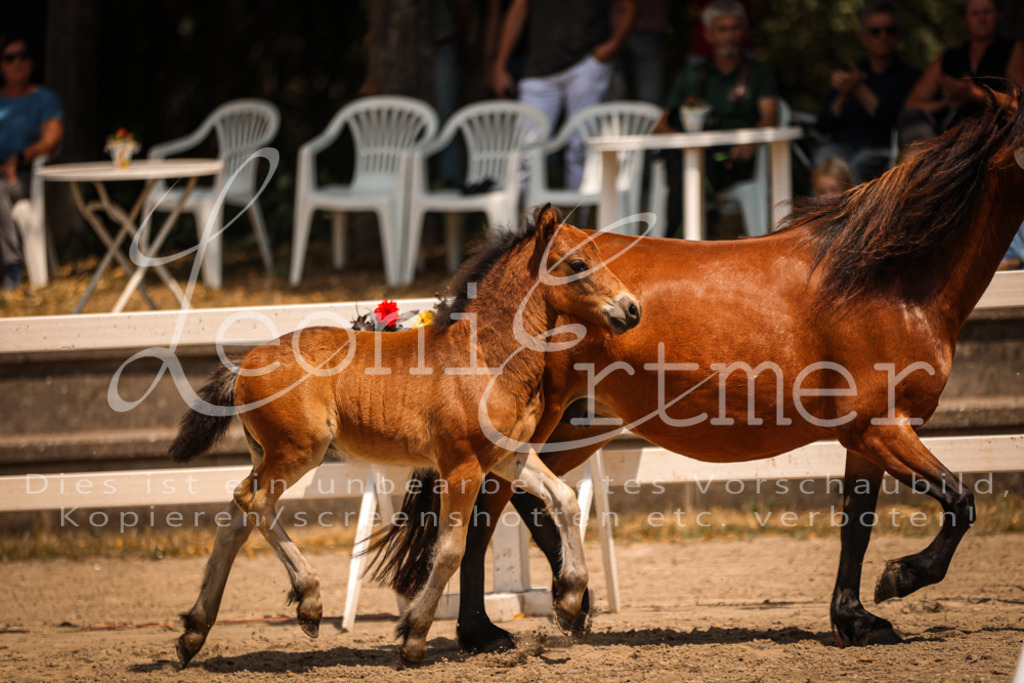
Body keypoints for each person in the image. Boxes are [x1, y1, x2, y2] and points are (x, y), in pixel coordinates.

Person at [655, 0, 779, 235]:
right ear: (708, 35)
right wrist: (686, 141)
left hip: (733, 159)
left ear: (744, 31)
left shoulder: (759, 72)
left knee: (685, 166)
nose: (730, 36)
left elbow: (770, 116)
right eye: (723, 29)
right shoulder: (691, 76)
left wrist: (752, 139)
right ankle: (701, 214)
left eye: (735, 28)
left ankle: (674, 240)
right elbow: (660, 127)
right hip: (692, 158)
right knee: (683, 158)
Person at [490, 0, 638, 192]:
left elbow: (631, 7)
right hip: (539, 66)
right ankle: (523, 209)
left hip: (586, 62)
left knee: (581, 147)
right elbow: (518, 9)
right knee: (526, 149)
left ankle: (578, 210)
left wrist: (611, 47)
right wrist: (500, 63)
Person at [814, 1, 919, 184]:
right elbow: (823, 125)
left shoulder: (910, 77)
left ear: (899, 34)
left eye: (890, 30)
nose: (883, 36)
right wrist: (844, 94)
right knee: (825, 162)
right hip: (840, 147)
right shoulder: (850, 73)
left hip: (880, 151)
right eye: (875, 31)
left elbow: (895, 122)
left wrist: (860, 90)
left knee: (857, 165)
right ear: (863, 37)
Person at [899, 0, 1024, 146]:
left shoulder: (1013, 49)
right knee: (912, 118)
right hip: (951, 137)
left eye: (987, 12)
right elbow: (912, 104)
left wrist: (975, 95)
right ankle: (924, 157)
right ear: (964, 20)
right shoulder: (951, 57)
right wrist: (945, 104)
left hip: (995, 137)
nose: (981, 18)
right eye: (975, 14)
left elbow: (1018, 105)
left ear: (999, 15)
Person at [0, 34, 63, 291]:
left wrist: (20, 157)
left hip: (25, 175)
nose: (18, 62)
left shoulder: (44, 99)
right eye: (9, 57)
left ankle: (13, 266)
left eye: (23, 55)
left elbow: (52, 140)